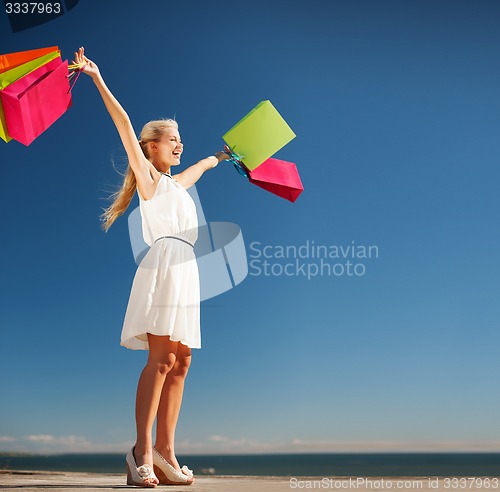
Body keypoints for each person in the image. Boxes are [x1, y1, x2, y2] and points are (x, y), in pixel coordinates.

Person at [73, 47, 228, 488]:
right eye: (173, 138)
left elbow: (198, 168)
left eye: (182, 138)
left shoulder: (176, 184)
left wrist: (220, 157)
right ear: (151, 146)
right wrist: (98, 77)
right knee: (160, 359)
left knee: (182, 361)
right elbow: (123, 122)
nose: (180, 144)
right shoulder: (148, 177)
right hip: (164, 264)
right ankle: (140, 452)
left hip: (187, 268)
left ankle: (165, 451)